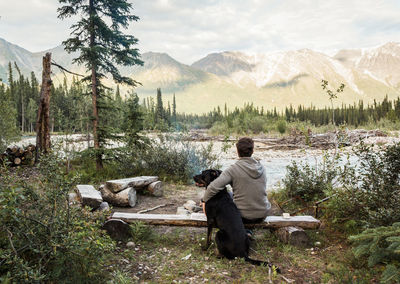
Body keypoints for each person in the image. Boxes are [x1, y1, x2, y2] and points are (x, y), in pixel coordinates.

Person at [201, 137, 271, 223]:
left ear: (237, 152)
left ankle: (241, 230)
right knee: (232, 194)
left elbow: (212, 188)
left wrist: (204, 201)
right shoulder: (262, 168)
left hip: (243, 216)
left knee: (225, 196)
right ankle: (247, 231)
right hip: (263, 214)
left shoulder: (233, 169)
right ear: (252, 151)